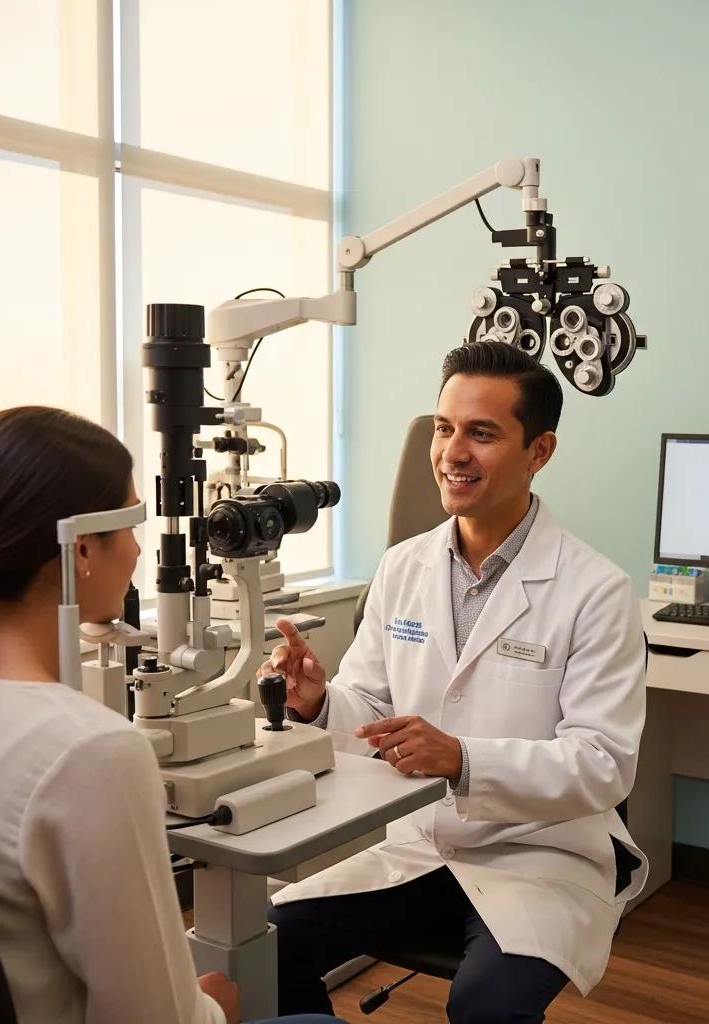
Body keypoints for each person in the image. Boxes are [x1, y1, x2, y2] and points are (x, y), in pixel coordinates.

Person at [264, 341, 648, 1023]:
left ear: (540, 451)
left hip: (541, 855)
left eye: (482, 432)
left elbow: (604, 765)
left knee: (485, 1008)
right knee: (266, 947)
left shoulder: (596, 590)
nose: (452, 452)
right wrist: (319, 703)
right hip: (420, 845)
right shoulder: (403, 567)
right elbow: (372, 710)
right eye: (444, 428)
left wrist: (466, 759)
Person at [0, 406, 345, 1024]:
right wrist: (214, 1006)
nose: (141, 549)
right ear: (83, 548)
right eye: (134, 523)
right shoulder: (90, 751)